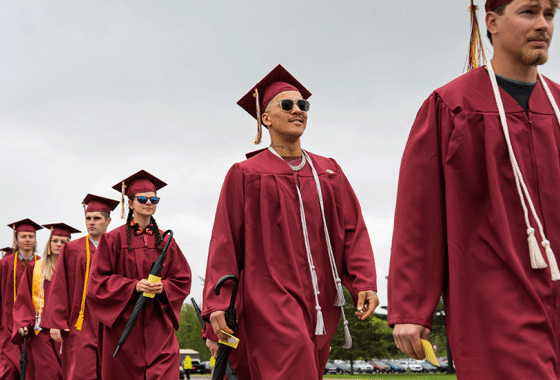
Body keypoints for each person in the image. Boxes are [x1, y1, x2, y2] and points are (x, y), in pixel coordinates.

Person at [388, 0, 560, 379]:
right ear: (492, 23)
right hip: (494, 303)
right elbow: (420, 212)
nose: (543, 24)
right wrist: (412, 308)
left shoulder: (558, 106)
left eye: (550, 13)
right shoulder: (452, 105)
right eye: (529, 12)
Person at [202, 65, 378, 379]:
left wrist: (363, 282)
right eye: (287, 105)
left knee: (309, 367)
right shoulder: (246, 174)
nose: (297, 110)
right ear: (265, 118)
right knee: (292, 360)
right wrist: (218, 302)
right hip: (268, 294)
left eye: (302, 105)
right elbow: (225, 240)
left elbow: (353, 230)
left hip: (322, 297)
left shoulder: (328, 171)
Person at [87, 170, 191, 380]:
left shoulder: (165, 241)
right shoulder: (113, 240)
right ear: (130, 203)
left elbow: (182, 278)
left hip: (158, 326)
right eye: (142, 199)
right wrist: (132, 286)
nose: (148, 203)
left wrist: (164, 287)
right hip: (124, 325)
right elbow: (97, 282)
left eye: (154, 199)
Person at [40, 194, 118, 380]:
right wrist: (57, 322)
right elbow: (59, 286)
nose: (91, 223)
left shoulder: (117, 246)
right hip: (80, 320)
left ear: (108, 221)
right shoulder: (72, 248)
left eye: (97, 218)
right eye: (88, 218)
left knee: (112, 371)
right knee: (82, 371)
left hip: (111, 321)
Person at [13, 223, 81, 380]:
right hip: (41, 330)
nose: (58, 245)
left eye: (63, 242)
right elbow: (24, 298)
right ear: (49, 243)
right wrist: (23, 322)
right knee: (49, 373)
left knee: (68, 372)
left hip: (66, 330)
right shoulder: (36, 267)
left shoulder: (74, 268)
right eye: (55, 240)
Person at [0, 219, 43, 379]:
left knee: (33, 368)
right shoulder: (4, 264)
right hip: (8, 325)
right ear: (16, 239)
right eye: (23, 236)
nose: (27, 240)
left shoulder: (42, 263)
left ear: (35, 239)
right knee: (9, 369)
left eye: (31, 236)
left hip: (35, 325)